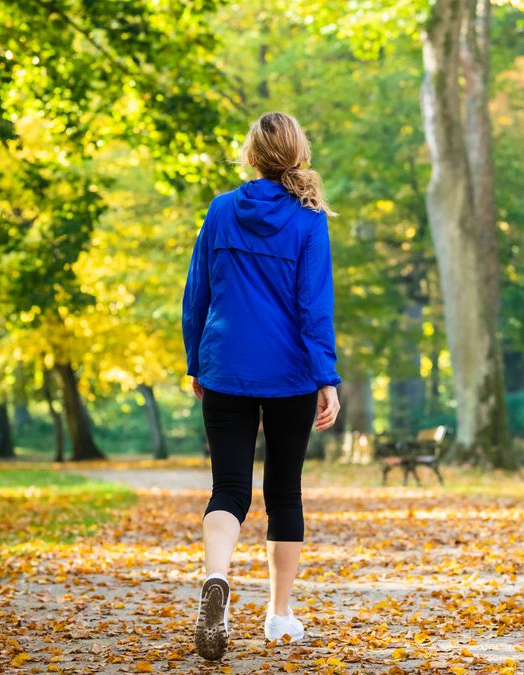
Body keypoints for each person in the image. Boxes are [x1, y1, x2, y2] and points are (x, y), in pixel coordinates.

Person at [181, 111, 342, 661]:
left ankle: (217, 578)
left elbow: (196, 292)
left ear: (251, 154)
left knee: (227, 488)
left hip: (226, 366)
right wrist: (327, 378)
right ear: (298, 154)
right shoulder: (308, 217)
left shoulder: (222, 209)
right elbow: (313, 306)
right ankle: (278, 615)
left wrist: (196, 361)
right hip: (291, 374)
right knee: (284, 491)